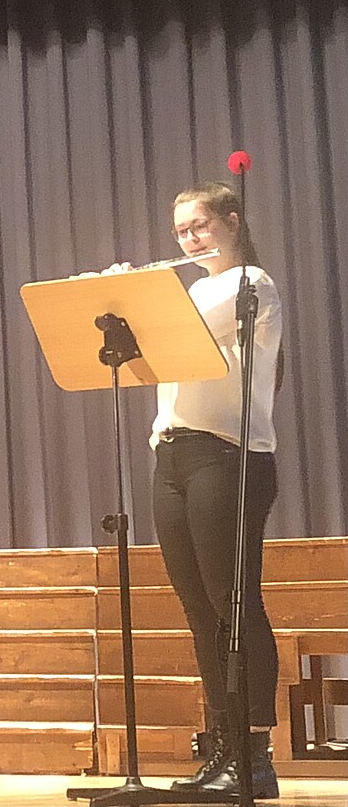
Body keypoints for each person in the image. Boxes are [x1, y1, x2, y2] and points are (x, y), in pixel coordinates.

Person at [148, 183, 284, 798]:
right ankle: (223, 748)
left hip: (228, 454)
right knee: (198, 609)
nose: (189, 240)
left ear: (231, 221)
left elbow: (172, 331)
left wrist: (131, 297)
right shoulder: (193, 290)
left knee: (233, 603)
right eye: (181, 231)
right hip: (174, 453)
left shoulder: (251, 283)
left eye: (199, 226)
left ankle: (255, 756)